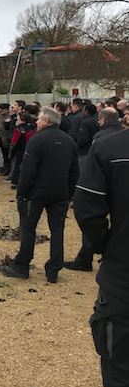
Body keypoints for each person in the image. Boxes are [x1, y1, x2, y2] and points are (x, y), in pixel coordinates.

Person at [74, 120, 129, 387]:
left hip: (123, 281)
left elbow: (88, 210)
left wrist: (106, 246)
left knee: (120, 378)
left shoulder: (110, 148)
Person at [0, 106, 79, 283]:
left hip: (36, 193)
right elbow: (75, 171)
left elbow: (27, 170)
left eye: (39, 119)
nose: (36, 122)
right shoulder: (69, 141)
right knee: (57, 231)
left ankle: (21, 266)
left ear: (46, 121)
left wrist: (21, 193)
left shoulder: (37, 140)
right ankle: (53, 269)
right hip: (60, 194)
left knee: (28, 229)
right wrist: (69, 193)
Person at [64, 108, 122, 273]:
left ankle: (86, 258)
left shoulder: (100, 138)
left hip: (100, 186)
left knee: (94, 219)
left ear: (102, 120)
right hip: (119, 187)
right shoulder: (122, 135)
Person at [9, 111, 37, 189]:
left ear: (23, 120)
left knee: (18, 166)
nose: (17, 121)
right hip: (32, 149)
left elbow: (14, 141)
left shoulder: (19, 129)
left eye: (18, 120)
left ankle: (18, 183)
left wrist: (11, 151)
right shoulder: (34, 128)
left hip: (21, 149)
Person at [76, 103, 100, 171]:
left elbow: (83, 138)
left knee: (84, 171)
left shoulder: (85, 122)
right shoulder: (98, 121)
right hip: (96, 149)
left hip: (85, 151)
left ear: (87, 111)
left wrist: (77, 145)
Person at [0, 103, 10, 176]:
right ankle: (5, 167)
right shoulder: (0, 117)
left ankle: (8, 169)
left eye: (2, 109)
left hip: (7, 139)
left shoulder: (9, 117)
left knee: (8, 156)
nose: (0, 110)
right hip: (1, 139)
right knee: (4, 154)